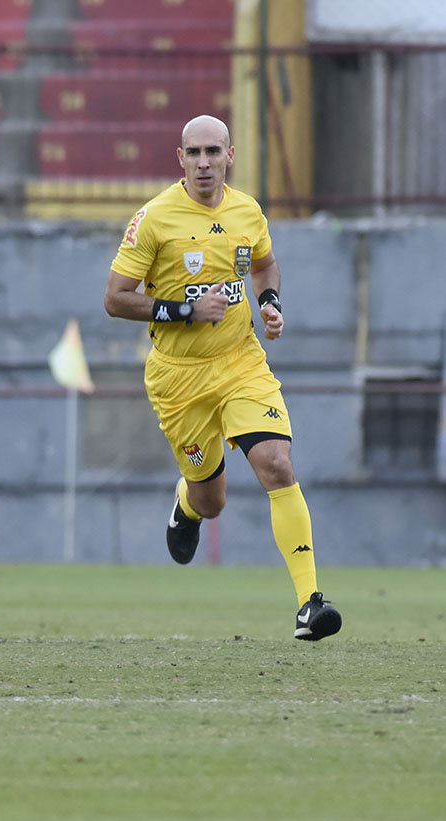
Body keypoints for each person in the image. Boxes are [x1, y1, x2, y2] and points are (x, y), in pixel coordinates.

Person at [103, 114, 341, 641]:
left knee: (276, 463)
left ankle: (309, 603)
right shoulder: (155, 218)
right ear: (180, 159)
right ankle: (186, 506)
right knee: (213, 501)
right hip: (179, 379)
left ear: (230, 155)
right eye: (195, 153)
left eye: (214, 152)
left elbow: (263, 265)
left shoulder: (247, 210)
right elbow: (115, 299)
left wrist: (271, 302)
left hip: (240, 362)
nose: (205, 163)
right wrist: (185, 310)